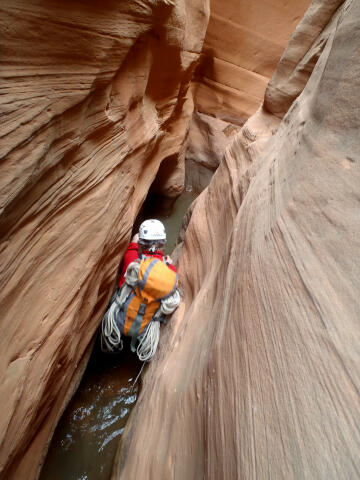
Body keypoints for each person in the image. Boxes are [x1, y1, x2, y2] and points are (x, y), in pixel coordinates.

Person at [101, 219, 180, 361]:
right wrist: (169, 265)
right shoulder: (169, 272)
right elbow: (171, 284)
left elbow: (131, 252)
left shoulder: (131, 261)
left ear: (141, 243)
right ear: (163, 243)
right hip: (145, 330)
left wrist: (133, 243)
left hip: (118, 321)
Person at [118, 219, 176, 288]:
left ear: (141, 243)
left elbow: (134, 243)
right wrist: (168, 264)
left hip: (130, 298)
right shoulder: (170, 269)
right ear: (162, 244)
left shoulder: (131, 258)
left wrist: (135, 240)